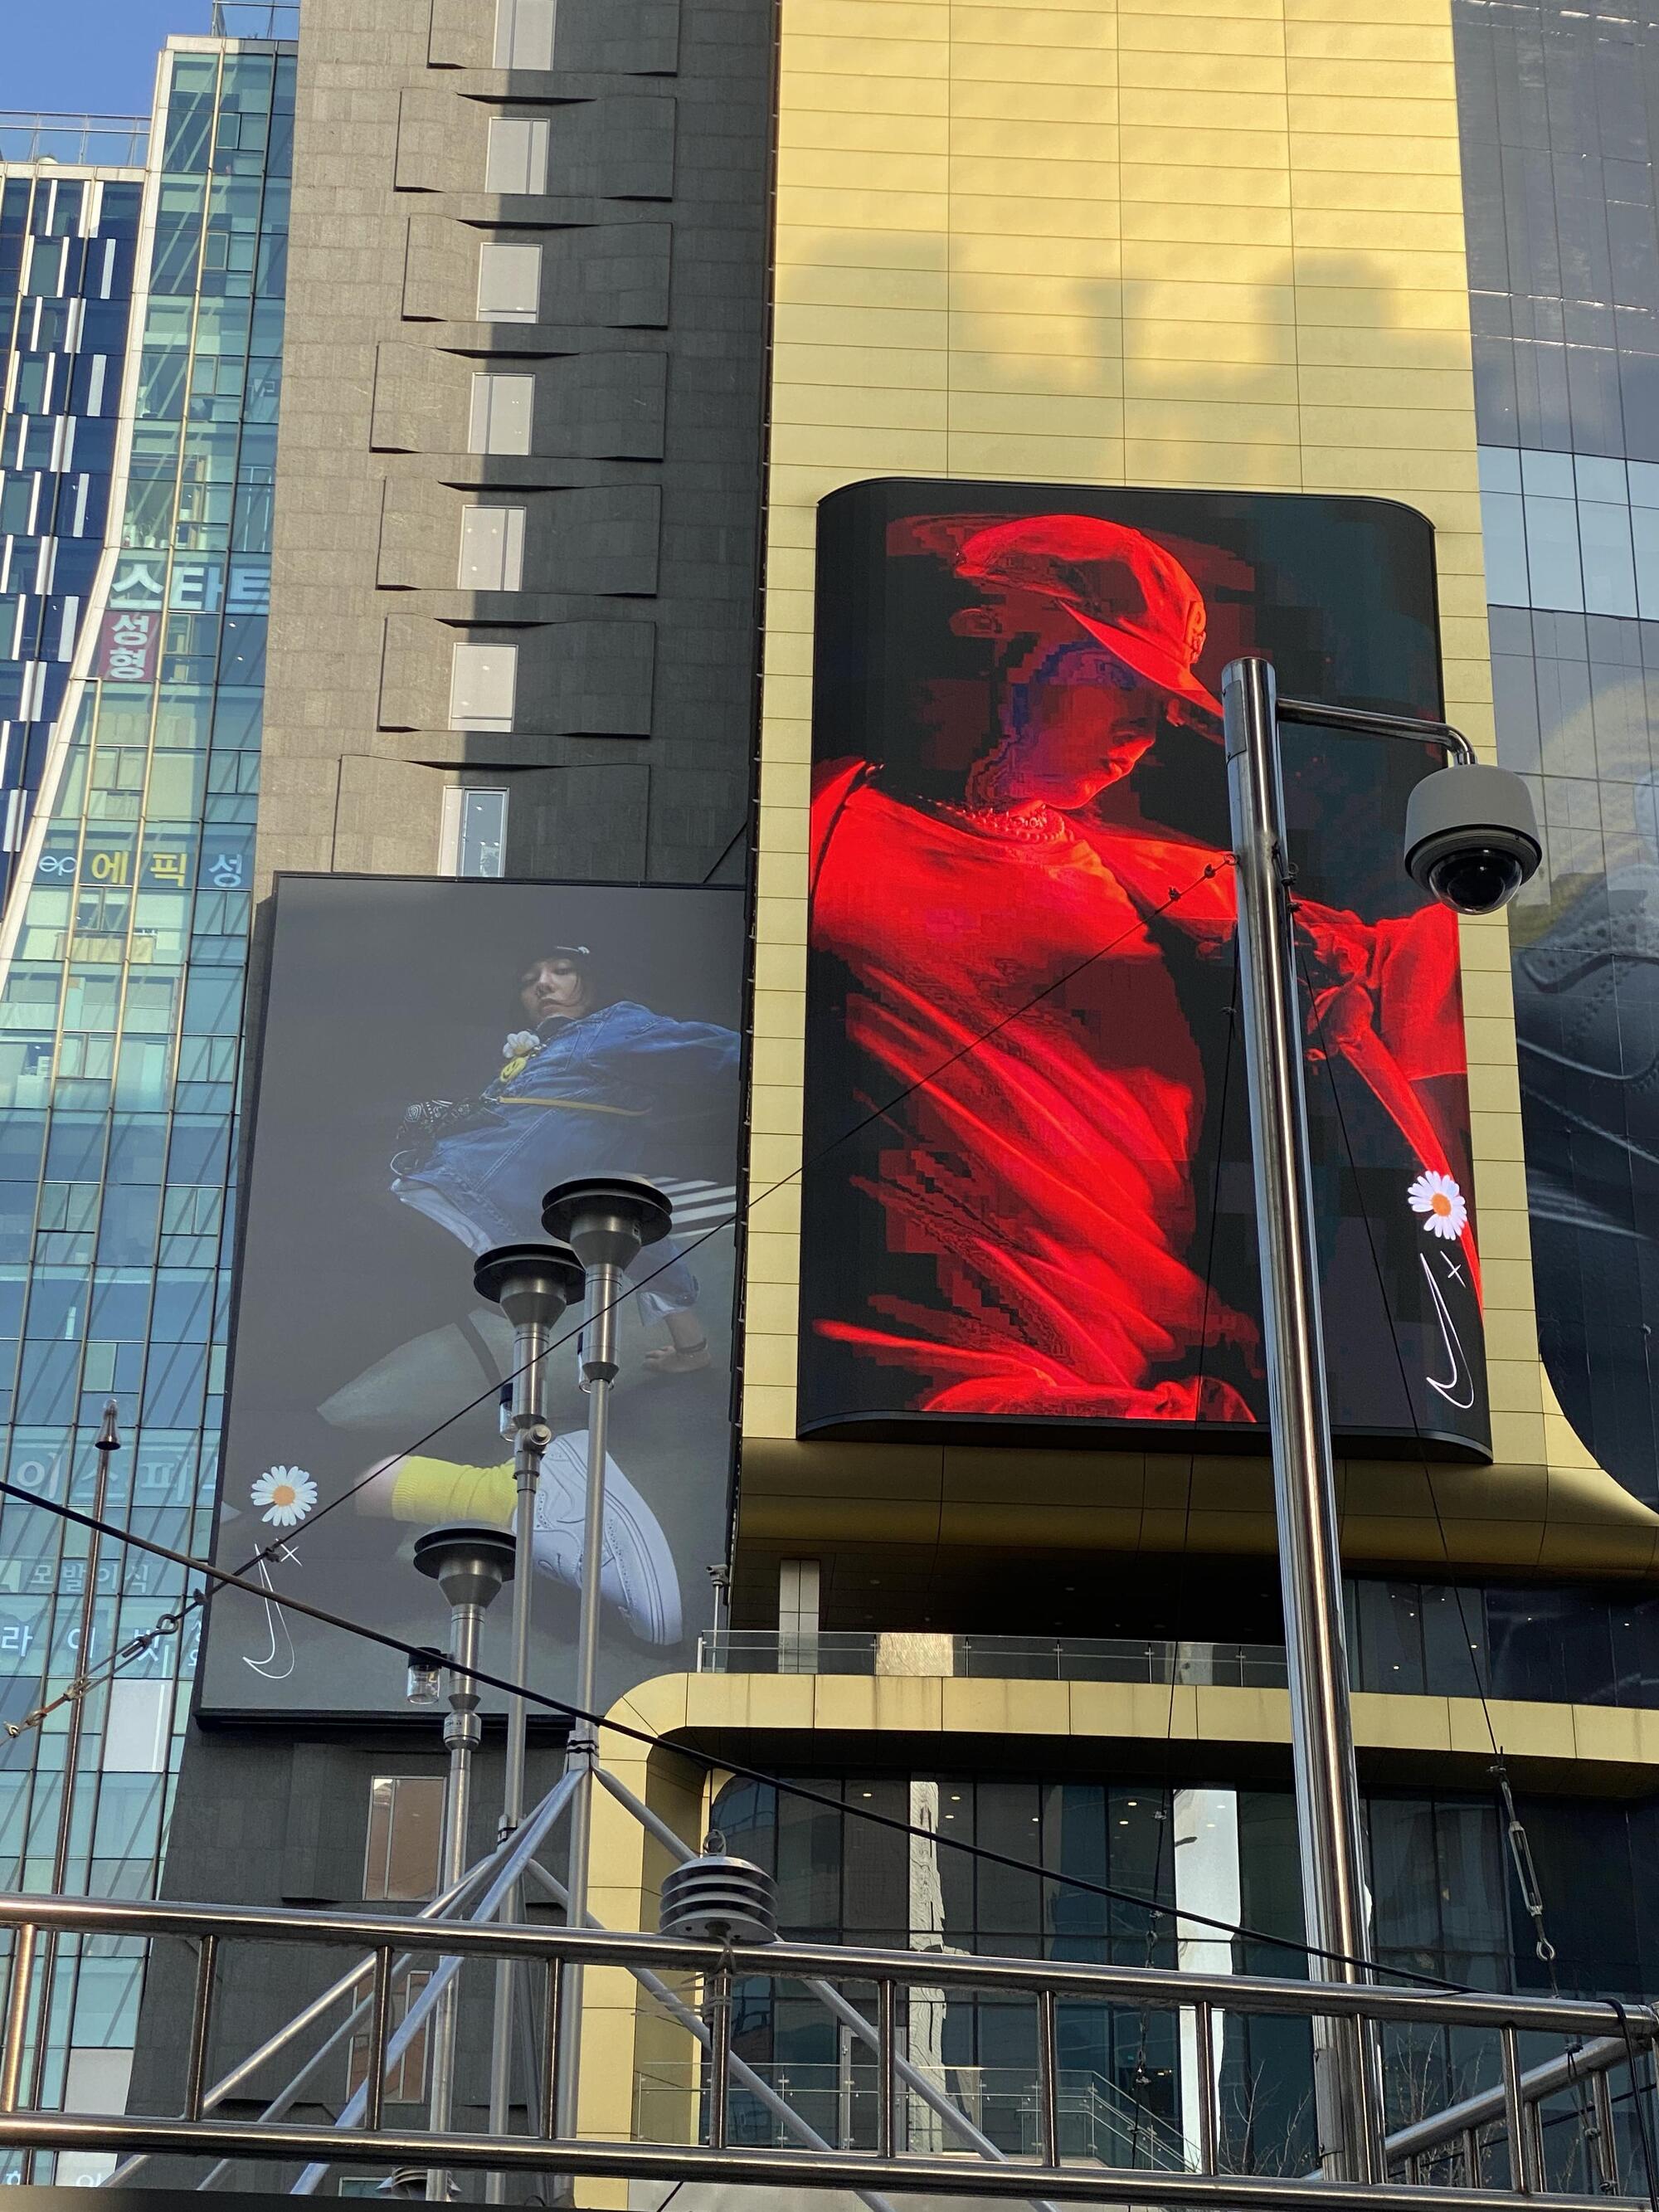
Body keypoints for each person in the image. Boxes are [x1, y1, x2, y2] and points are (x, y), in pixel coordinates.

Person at [809, 513, 1477, 1423]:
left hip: (1149, 1406)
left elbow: (1431, 976)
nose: (1147, 722)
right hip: (902, 1396)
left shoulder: (1185, 888)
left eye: (1161, 696)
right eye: (1117, 673)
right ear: (994, 633)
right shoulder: (814, 833)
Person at [389, 942, 741, 1375]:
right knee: (621, 1210)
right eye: (529, 980)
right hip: (467, 1212)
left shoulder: (609, 1028)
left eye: (562, 970)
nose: (542, 984)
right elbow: (622, 1215)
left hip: (453, 1209)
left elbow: (728, 1051)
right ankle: (693, 1348)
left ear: (591, 983)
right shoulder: (544, 1052)